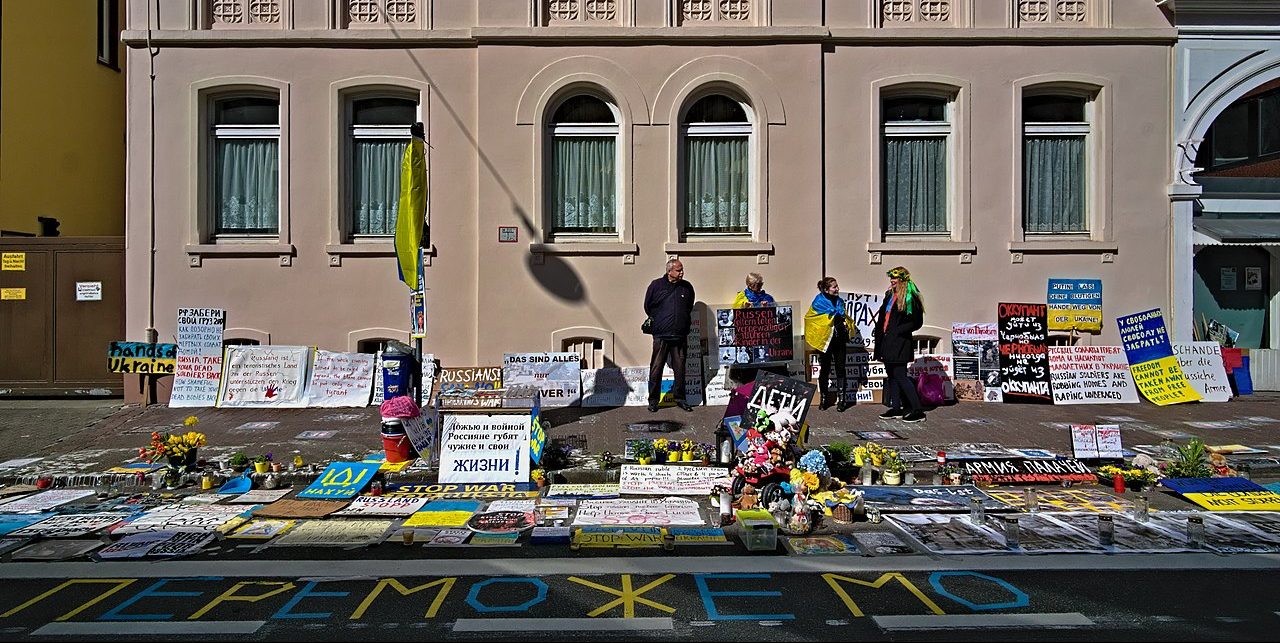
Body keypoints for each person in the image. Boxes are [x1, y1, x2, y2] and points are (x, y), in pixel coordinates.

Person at [873, 266, 926, 423]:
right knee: (891, 376)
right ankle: (896, 408)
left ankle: (918, 410)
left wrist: (898, 331)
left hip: (900, 343)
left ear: (903, 280)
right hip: (887, 341)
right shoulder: (889, 295)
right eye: (891, 278)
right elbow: (884, 316)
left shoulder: (911, 297)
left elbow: (917, 322)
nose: (892, 281)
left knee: (901, 376)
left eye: (895, 278)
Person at [644, 258, 696, 413]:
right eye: (678, 270)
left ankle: (680, 398)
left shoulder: (687, 287)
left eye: (682, 270)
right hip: (661, 334)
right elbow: (648, 306)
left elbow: (688, 306)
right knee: (656, 367)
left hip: (679, 334)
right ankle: (653, 400)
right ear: (669, 271)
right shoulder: (656, 285)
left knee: (680, 368)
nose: (682, 273)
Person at [804, 277, 854, 412]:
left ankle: (842, 400)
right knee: (825, 369)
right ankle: (824, 399)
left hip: (839, 339)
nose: (837, 289)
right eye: (834, 287)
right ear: (826, 289)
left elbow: (844, 317)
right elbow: (811, 319)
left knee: (840, 368)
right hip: (826, 340)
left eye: (837, 286)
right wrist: (831, 317)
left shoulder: (839, 301)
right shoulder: (819, 301)